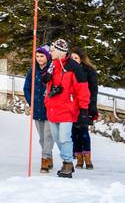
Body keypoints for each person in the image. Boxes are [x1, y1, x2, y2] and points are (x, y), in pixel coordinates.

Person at [45, 38, 90, 178]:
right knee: (57, 138)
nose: (50, 52)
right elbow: (47, 84)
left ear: (60, 52)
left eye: (52, 50)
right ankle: (67, 159)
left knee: (64, 138)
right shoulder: (52, 65)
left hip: (67, 109)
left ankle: (67, 163)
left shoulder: (74, 67)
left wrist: (84, 109)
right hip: (52, 107)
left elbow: (82, 89)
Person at [23, 46, 54, 173]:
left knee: (48, 135)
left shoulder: (52, 70)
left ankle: (45, 159)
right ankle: (49, 156)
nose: (40, 59)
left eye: (42, 56)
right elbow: (27, 88)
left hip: (49, 108)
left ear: (47, 56)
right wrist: (32, 102)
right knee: (42, 137)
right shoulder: (33, 71)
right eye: (37, 56)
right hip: (37, 108)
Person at [69, 47, 99, 169]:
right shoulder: (68, 70)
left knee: (84, 132)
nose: (74, 60)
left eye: (76, 58)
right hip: (71, 106)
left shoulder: (89, 71)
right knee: (74, 133)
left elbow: (93, 90)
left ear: (81, 59)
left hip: (84, 105)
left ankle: (88, 158)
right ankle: (79, 159)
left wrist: (92, 106)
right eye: (72, 58)